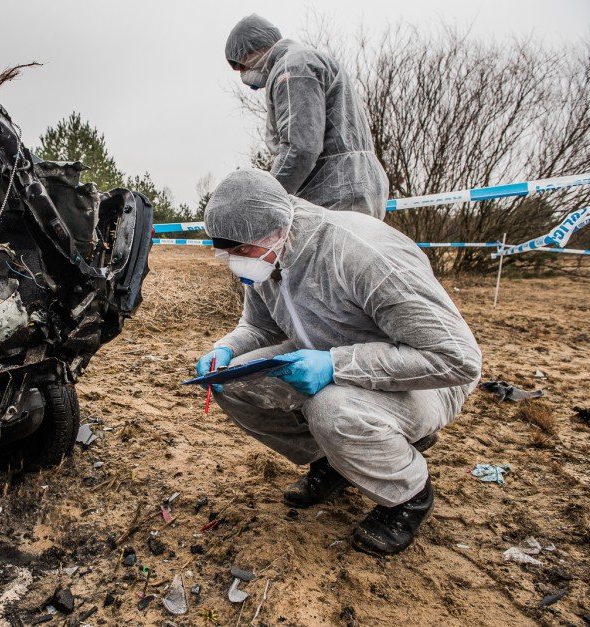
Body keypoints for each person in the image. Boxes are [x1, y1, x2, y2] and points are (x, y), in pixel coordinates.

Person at [195, 169, 481, 556]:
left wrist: (335, 365)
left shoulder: (364, 254)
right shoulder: (271, 254)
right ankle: (339, 461)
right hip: (330, 357)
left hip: (422, 380)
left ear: (276, 227)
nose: (235, 262)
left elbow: (456, 359)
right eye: (227, 252)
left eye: (240, 251)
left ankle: (408, 494)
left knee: (330, 408)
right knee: (232, 381)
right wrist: (226, 349)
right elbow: (259, 325)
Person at [225, 14, 389, 220]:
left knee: (325, 252)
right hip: (358, 184)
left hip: (332, 189)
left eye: (242, 66)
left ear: (255, 48)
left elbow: (300, 147)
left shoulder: (292, 68)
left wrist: (266, 200)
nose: (243, 75)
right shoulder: (308, 59)